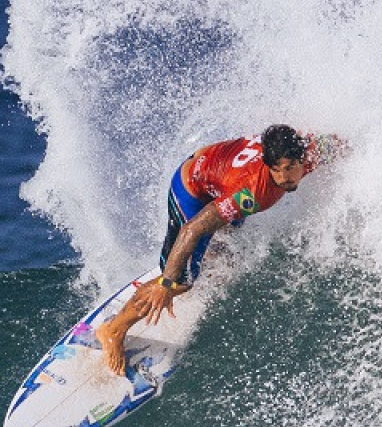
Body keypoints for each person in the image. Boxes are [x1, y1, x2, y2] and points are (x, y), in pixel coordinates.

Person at [96, 124, 340, 374]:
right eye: (276, 170)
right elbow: (191, 230)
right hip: (192, 190)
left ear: (302, 158)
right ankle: (113, 330)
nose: (283, 178)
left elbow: (340, 145)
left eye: (290, 169)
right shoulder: (252, 192)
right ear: (268, 165)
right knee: (181, 282)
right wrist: (167, 283)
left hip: (220, 178)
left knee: (227, 245)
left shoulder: (310, 150)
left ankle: (200, 258)